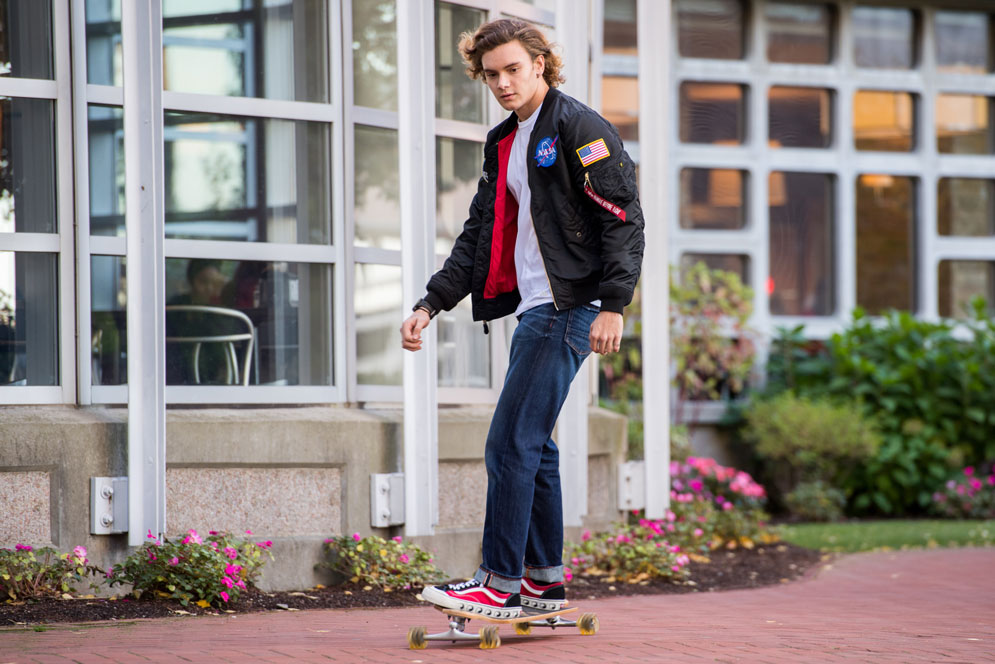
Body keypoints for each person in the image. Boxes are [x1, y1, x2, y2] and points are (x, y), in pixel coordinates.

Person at [399, 18, 644, 618]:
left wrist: (613, 304)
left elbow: (623, 217)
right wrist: (431, 302)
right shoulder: (505, 139)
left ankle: (498, 580)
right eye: (491, 75)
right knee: (535, 448)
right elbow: (481, 231)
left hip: (569, 307)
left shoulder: (578, 127)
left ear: (540, 63)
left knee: (509, 443)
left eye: (513, 69)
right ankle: (542, 581)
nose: (503, 82)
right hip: (538, 304)